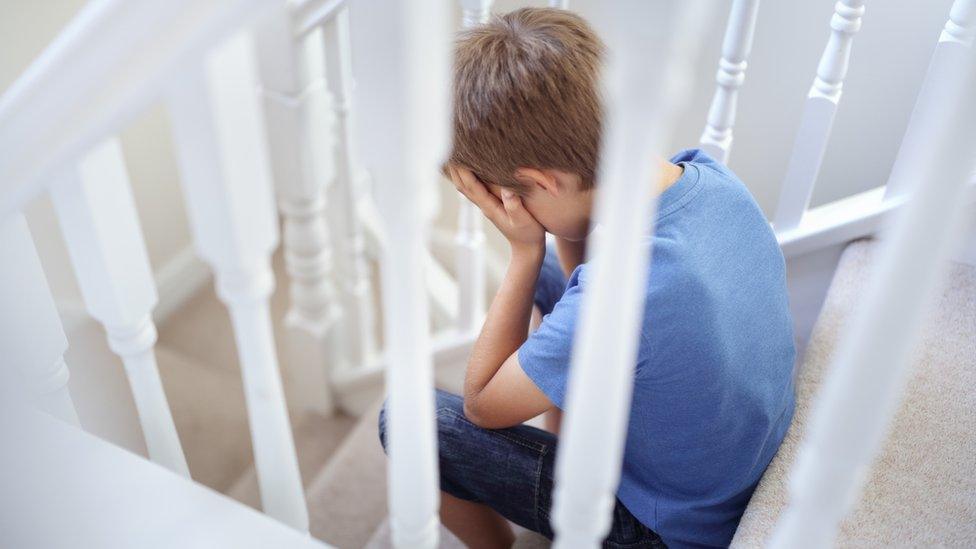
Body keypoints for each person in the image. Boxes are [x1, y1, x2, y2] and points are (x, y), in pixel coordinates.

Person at [379, 8, 796, 548]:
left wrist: (524, 252)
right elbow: (586, 278)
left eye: (507, 197)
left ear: (538, 183)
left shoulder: (631, 291)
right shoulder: (712, 179)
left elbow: (481, 404)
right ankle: (565, 428)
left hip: (668, 528)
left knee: (412, 422)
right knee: (561, 283)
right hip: (732, 464)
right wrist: (558, 227)